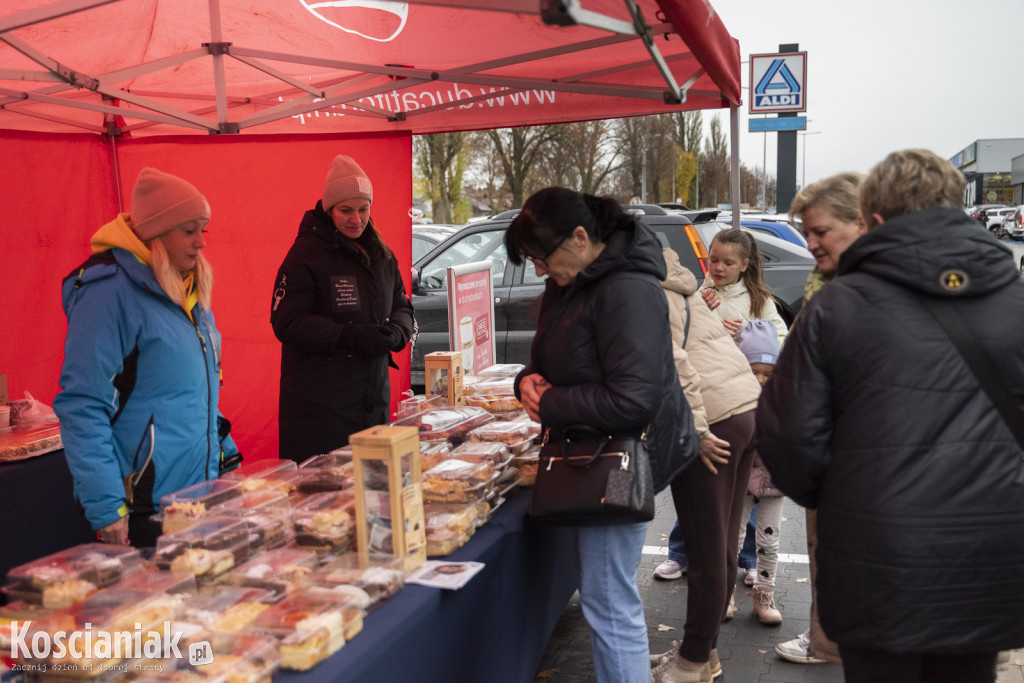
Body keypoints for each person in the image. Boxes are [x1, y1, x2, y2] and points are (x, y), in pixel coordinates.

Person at [757, 148, 1024, 683]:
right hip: (994, 547)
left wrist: (842, 496)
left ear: (873, 218)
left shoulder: (837, 306)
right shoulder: (1014, 299)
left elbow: (788, 438)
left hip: (877, 551)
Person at [507, 187, 696, 683]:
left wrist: (551, 402)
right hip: (588, 451)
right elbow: (553, 355)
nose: (539, 271)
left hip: (617, 461)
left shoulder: (627, 289)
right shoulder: (575, 279)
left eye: (541, 258)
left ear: (580, 237)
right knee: (605, 597)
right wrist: (525, 380)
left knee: (609, 601)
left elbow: (634, 400)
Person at [54, 167, 237, 548]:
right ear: (155, 233)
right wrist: (107, 507)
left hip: (196, 496)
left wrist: (228, 458)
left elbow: (197, 392)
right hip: (143, 507)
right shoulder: (108, 293)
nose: (201, 242)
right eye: (189, 230)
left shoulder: (189, 288)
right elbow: (83, 405)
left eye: (203, 229)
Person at [650, 247, 763, 680]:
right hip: (742, 407)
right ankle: (703, 654)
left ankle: (691, 663)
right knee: (721, 544)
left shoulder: (647, 289)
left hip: (713, 419)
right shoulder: (677, 280)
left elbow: (677, 363)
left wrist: (696, 431)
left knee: (706, 550)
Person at [774, 171, 867, 666]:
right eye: (805, 232)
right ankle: (825, 640)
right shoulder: (825, 281)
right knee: (824, 553)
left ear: (861, 222)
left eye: (820, 231)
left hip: (861, 459)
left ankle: (835, 642)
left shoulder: (868, 288)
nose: (809, 243)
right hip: (831, 453)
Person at [271, 154, 414, 463]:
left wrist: (397, 333)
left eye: (363, 209)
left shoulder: (381, 254)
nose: (356, 219)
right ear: (329, 209)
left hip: (372, 400)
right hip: (321, 409)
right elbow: (287, 321)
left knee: (372, 484)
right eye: (346, 210)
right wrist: (348, 335)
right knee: (328, 490)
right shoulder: (305, 255)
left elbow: (401, 302)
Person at [734, 319, 784, 625]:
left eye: (768, 373)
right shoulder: (734, 398)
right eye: (753, 371)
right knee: (732, 537)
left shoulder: (783, 400)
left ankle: (764, 594)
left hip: (773, 482)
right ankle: (723, 593)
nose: (761, 379)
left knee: (769, 540)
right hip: (740, 480)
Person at [699, 228, 787, 345]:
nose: (719, 268)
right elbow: (680, 335)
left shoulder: (759, 300)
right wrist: (697, 311)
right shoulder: (699, 296)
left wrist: (750, 334)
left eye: (728, 263)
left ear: (744, 265)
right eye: (714, 260)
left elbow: (782, 341)